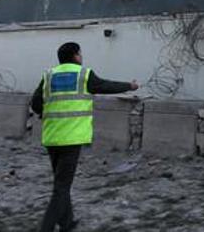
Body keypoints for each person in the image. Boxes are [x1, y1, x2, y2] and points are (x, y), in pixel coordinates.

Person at [30, 42, 138, 232]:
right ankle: (45, 228)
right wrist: (130, 85)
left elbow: (36, 103)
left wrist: (45, 112)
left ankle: (67, 223)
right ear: (75, 56)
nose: (81, 57)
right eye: (80, 54)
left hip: (52, 137)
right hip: (71, 139)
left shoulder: (48, 75)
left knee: (61, 182)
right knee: (61, 187)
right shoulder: (83, 74)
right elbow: (106, 86)